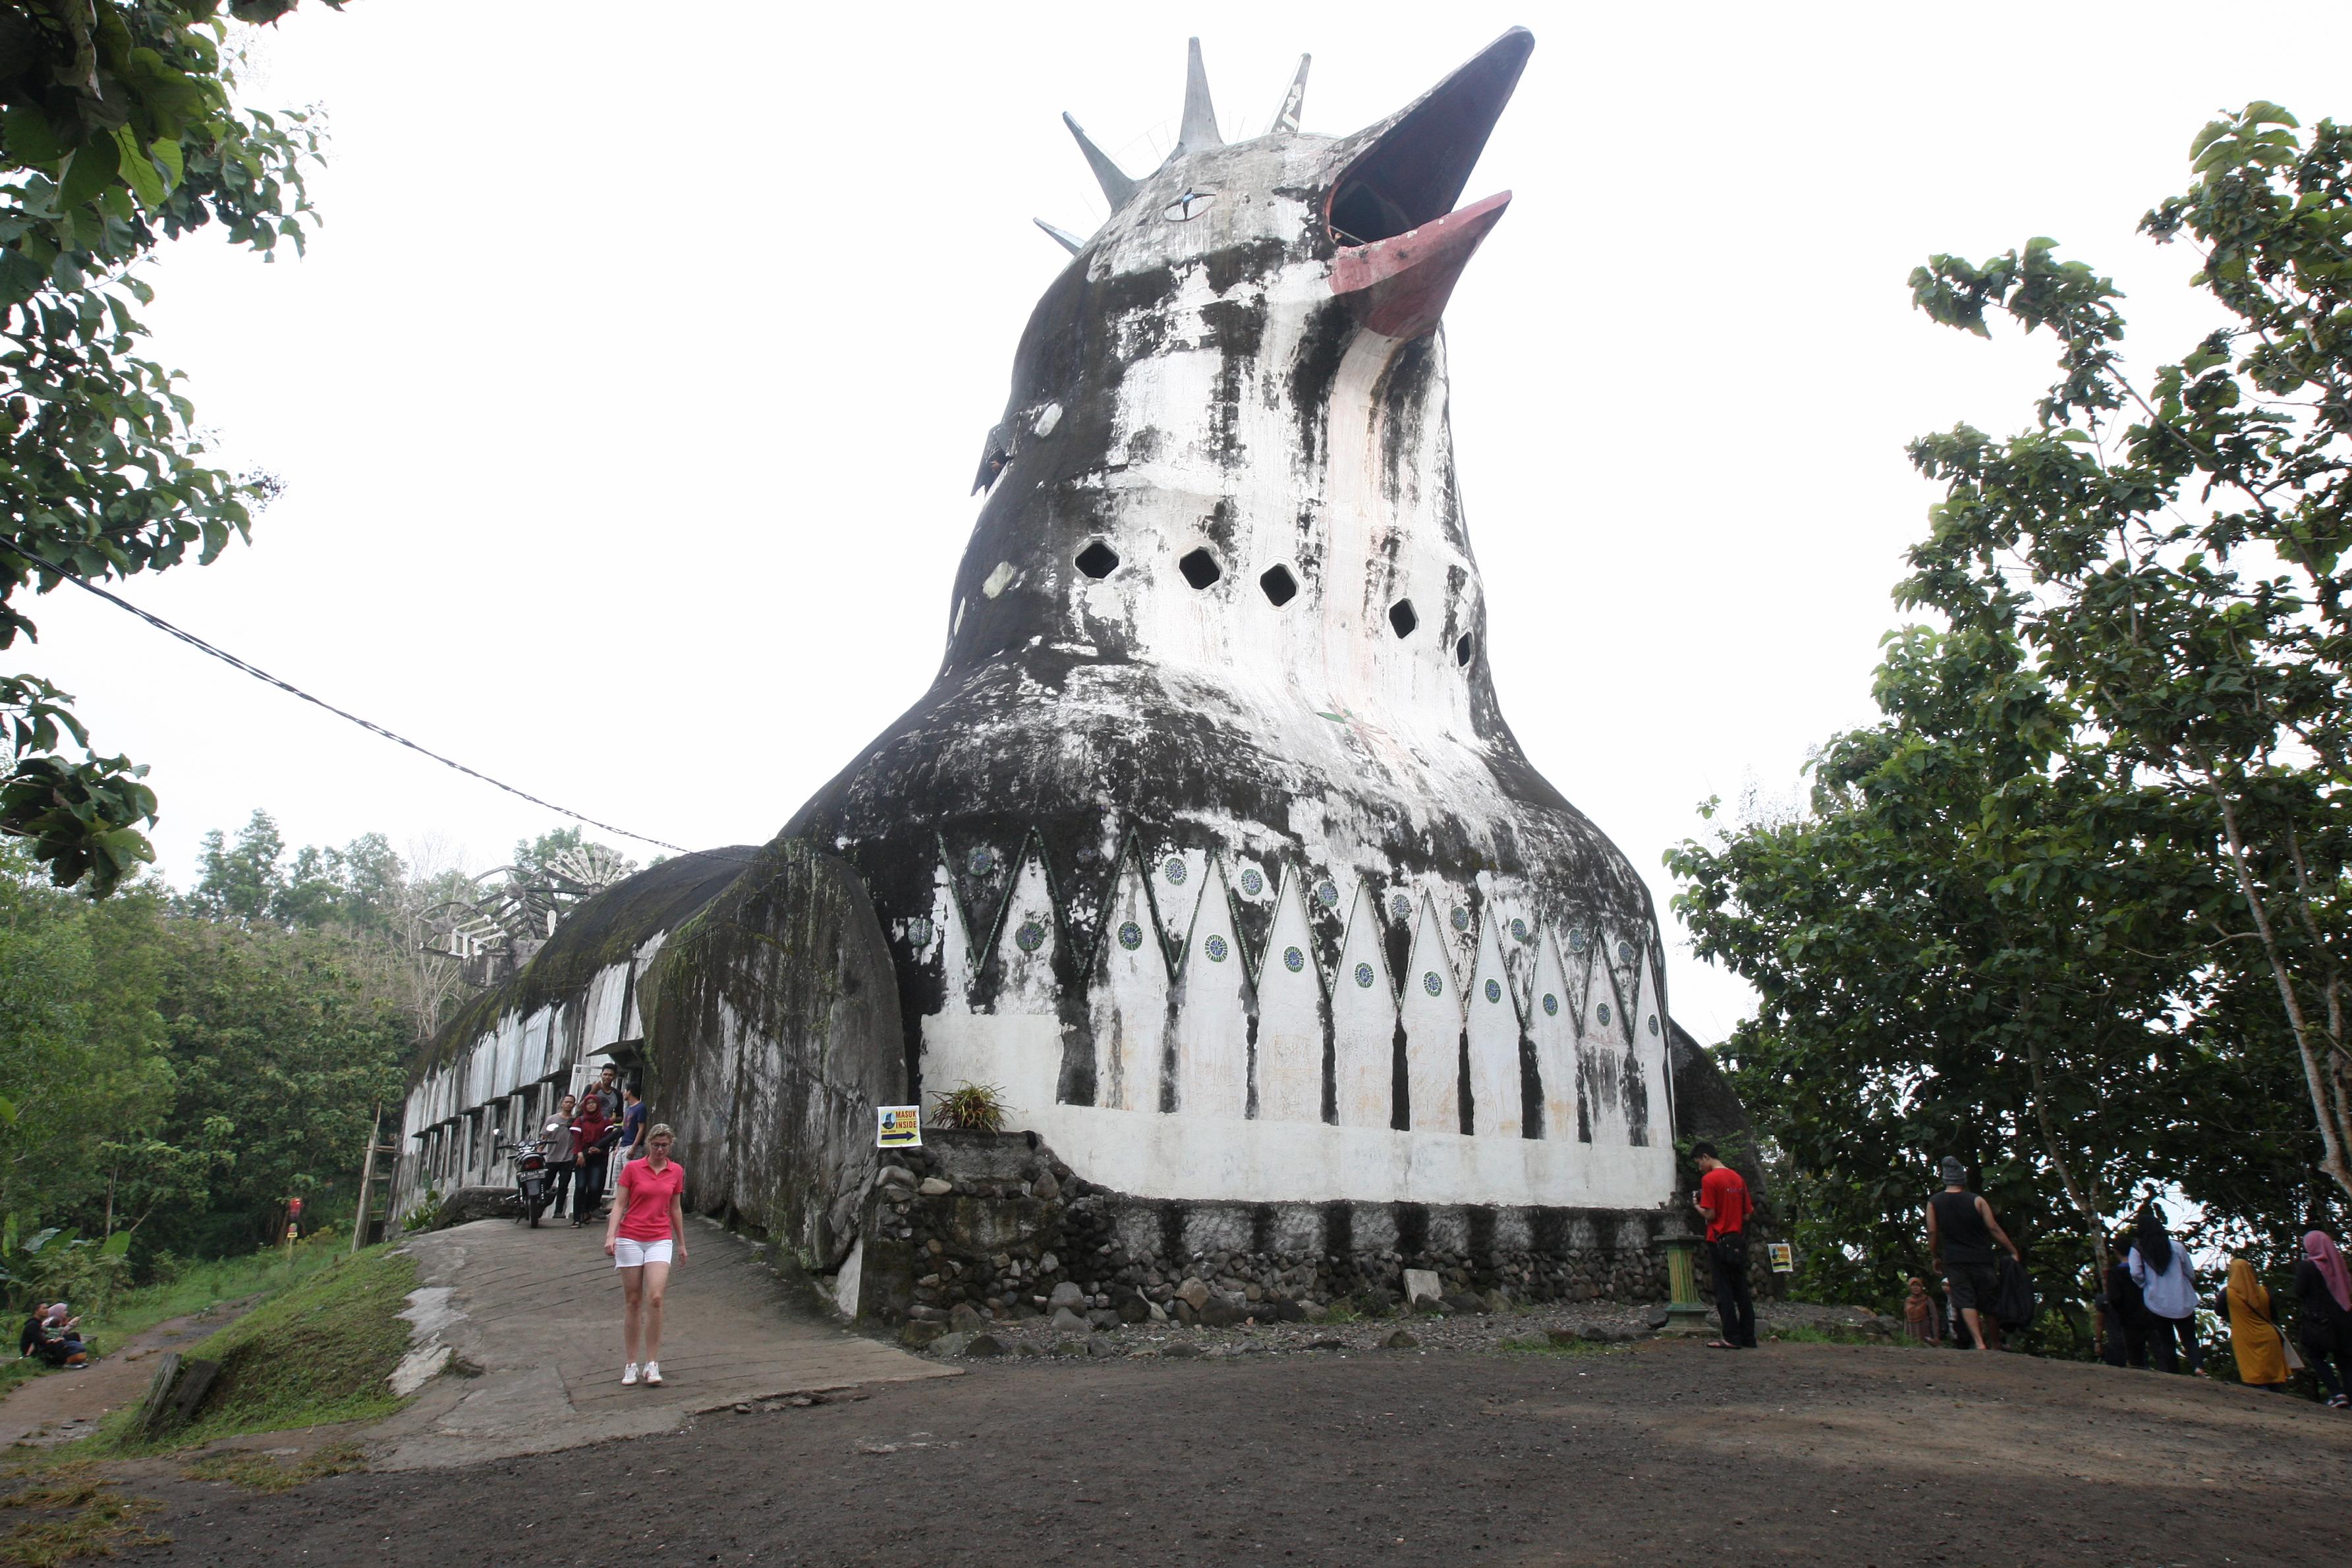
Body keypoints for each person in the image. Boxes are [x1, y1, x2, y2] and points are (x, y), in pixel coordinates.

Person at [604, 1122, 688, 1387]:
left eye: (665, 1145)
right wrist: (611, 1235)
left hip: (660, 1238)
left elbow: (675, 1208)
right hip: (630, 1237)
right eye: (656, 1145)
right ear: (649, 1145)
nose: (660, 1149)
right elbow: (619, 1204)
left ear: (670, 1145)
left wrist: (682, 1243)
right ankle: (631, 1363)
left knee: (656, 1297)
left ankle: (652, 1363)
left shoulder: (676, 1171)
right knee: (633, 1300)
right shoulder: (633, 1169)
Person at [1925, 1156, 2020, 1352]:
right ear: (1963, 1180)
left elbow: (1932, 1232)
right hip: (1982, 1258)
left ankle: (1979, 1343)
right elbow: (1993, 1228)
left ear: (1945, 1180)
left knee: (1965, 1299)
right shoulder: (1977, 1200)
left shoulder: (1934, 1202)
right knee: (1989, 1301)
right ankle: (1995, 1343)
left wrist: (1935, 1256)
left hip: (1954, 1259)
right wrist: (2012, 1250)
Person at [1690, 1142, 1755, 1350]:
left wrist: (1697, 1207)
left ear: (1706, 1157)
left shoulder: (1709, 1179)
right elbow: (1747, 1214)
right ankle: (1749, 1337)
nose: (1700, 1167)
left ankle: (1731, 1337)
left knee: (1723, 1290)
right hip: (1737, 1239)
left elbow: (1711, 1214)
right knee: (1741, 1289)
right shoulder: (1738, 1178)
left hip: (1718, 1240)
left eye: (1699, 1162)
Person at [2129, 1208, 2203, 1376]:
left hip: (2157, 1301)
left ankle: (2173, 1373)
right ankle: (2198, 1366)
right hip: (2182, 1298)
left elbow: (2135, 1273)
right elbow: (2190, 1273)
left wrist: (2144, 1284)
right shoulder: (2177, 1247)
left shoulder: (2138, 1249)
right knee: (2190, 1337)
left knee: (2167, 1339)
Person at [2292, 1228, 2352, 1409]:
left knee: (2315, 1355)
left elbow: (2299, 1291)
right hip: (2344, 1318)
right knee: (2345, 1360)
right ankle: (2349, 1397)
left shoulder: (2308, 1267)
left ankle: (2336, 1392)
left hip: (2319, 1320)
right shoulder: (2338, 1265)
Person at [2220, 1256, 2291, 1393]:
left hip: (2247, 1340)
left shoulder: (2228, 1294)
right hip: (2270, 1339)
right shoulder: (2264, 1292)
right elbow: (2274, 1316)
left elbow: (2219, 1311)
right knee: (2274, 1382)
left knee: (2255, 1381)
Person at [2100, 1231, 2150, 1369]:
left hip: (2126, 1315)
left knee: (2131, 1350)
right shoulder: (2144, 1271)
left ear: (2116, 1251)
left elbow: (2115, 1297)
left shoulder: (2115, 1273)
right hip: (2146, 1312)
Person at [570, 1094, 613, 1229]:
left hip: (597, 1159)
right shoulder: (580, 1121)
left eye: (593, 1103)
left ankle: (587, 1209)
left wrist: (600, 1151)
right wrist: (580, 1154)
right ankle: (577, 1218)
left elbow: (608, 1140)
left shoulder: (605, 1121)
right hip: (582, 1157)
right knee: (581, 1186)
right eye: (588, 1103)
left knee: (594, 1187)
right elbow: (576, 1140)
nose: (591, 1105)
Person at [539, 1092, 580, 1220]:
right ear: (562, 1104)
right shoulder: (552, 1119)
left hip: (568, 1157)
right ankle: (539, 1208)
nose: (568, 1104)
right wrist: (540, 1149)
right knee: (545, 1184)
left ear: (574, 1105)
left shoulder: (575, 1121)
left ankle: (558, 1211)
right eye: (566, 1102)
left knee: (563, 1185)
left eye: (571, 1102)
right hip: (552, 1157)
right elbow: (544, 1137)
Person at [1901, 1275, 1944, 1346]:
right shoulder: (1908, 1301)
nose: (1915, 1288)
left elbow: (1934, 1317)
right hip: (1912, 1332)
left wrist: (1936, 1336)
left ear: (1921, 1287)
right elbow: (1906, 1318)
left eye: (1918, 1286)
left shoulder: (1927, 1299)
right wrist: (1906, 1336)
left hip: (1926, 1331)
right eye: (1913, 1286)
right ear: (1910, 1288)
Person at [618, 1085, 648, 1164]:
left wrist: (634, 1147)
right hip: (623, 1146)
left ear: (629, 1092)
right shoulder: (628, 1108)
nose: (624, 1093)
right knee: (618, 1176)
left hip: (632, 1146)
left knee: (631, 1173)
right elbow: (624, 1128)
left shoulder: (641, 1107)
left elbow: (641, 1129)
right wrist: (618, 1146)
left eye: (625, 1091)